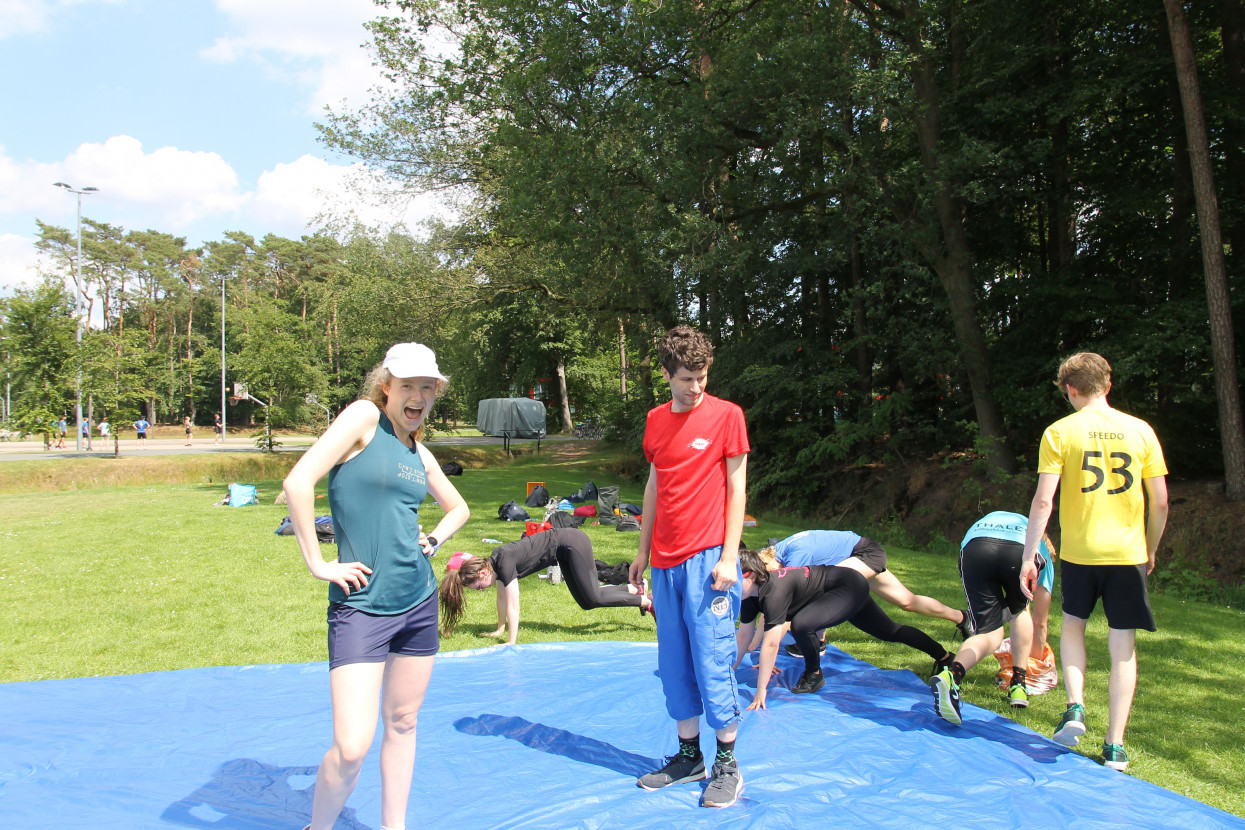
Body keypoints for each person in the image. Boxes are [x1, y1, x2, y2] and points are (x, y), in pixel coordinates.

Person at [282, 343, 470, 830]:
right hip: (361, 607)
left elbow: (459, 508)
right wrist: (318, 563)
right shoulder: (364, 418)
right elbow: (298, 482)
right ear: (386, 387)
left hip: (418, 602)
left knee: (403, 722)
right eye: (408, 386)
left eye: (427, 388)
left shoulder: (418, 450)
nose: (419, 396)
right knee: (351, 745)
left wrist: (432, 538)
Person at [1020, 353, 1168, 772]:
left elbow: (1044, 499)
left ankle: (1075, 707)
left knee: (1073, 626)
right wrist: (1151, 547)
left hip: (1080, 553)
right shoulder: (1141, 430)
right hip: (1128, 554)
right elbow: (1159, 501)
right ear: (1108, 383)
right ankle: (1115, 746)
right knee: (1123, 646)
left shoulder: (1060, 432)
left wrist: (1029, 556)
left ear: (1070, 389)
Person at [628, 325, 749, 809]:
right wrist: (642, 551)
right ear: (665, 374)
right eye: (685, 378)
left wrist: (727, 556)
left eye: (701, 376)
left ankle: (727, 766)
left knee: (713, 661)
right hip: (665, 563)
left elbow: (737, 489)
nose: (695, 386)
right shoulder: (656, 421)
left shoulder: (727, 416)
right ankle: (688, 757)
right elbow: (655, 486)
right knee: (673, 663)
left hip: (709, 563)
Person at [735, 548, 955, 703]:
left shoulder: (773, 593)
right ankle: (944, 656)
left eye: (734, 580)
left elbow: (771, 645)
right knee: (889, 631)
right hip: (838, 589)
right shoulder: (750, 596)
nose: (729, 586)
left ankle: (814, 674)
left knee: (801, 625)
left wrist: (761, 691)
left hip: (847, 586)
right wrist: (730, 671)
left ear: (751, 576)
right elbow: (744, 636)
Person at [929, 511, 1055, 724]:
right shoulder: (1042, 553)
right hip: (1019, 551)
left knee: (990, 632)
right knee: (1021, 610)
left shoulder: (999, 518)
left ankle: (952, 676)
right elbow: (1040, 622)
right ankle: (1019, 686)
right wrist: (1038, 660)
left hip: (975, 548)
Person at [770, 530, 973, 657]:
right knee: (907, 601)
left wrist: (769, 649)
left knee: (822, 588)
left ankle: (819, 641)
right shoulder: (779, 551)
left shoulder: (796, 557)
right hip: (858, 554)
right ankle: (962, 617)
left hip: (865, 553)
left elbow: (785, 607)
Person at [438, 528, 654, 644]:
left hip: (571, 544)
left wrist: (511, 642)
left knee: (594, 597)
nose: (482, 590)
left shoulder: (502, 564)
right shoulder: (496, 562)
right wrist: (499, 628)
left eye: (478, 586)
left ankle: (646, 601)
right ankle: (633, 589)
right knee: (587, 602)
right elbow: (501, 599)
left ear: (483, 573)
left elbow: (514, 605)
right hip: (563, 552)